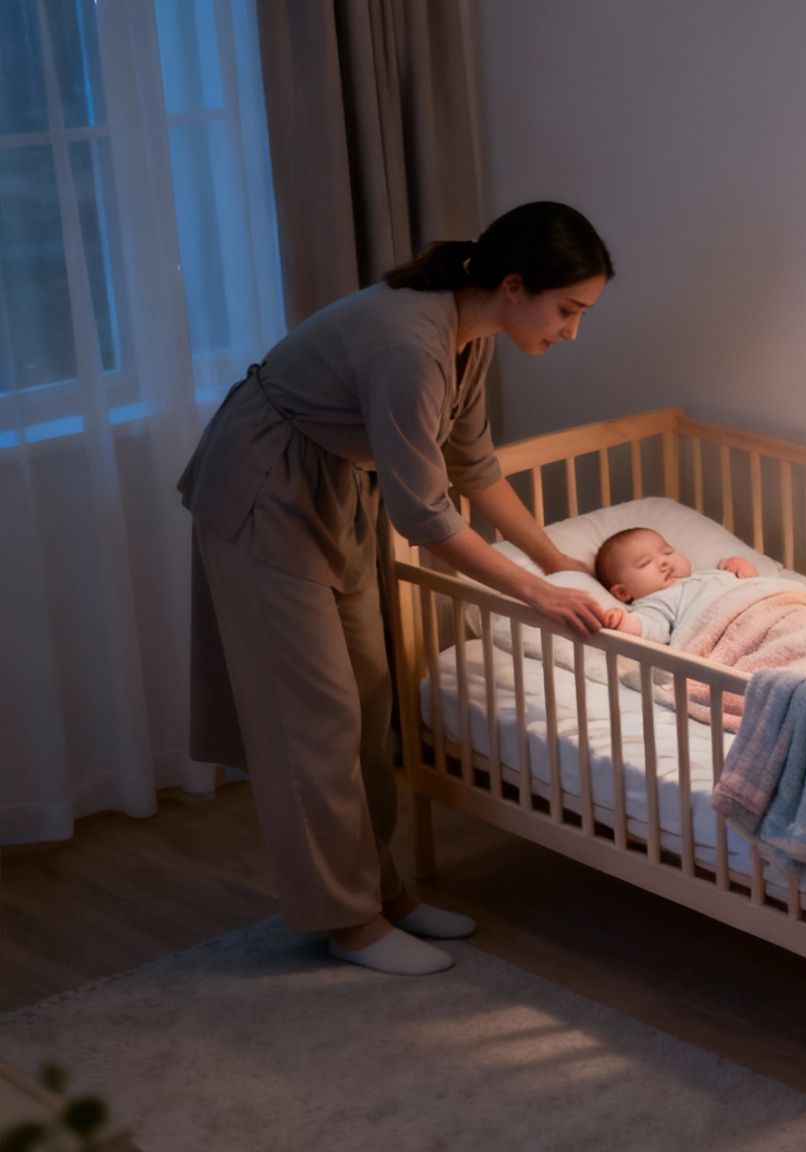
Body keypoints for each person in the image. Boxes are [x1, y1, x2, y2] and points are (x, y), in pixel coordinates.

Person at [179, 201, 615, 977]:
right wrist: (534, 593)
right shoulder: (410, 345)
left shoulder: (469, 337)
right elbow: (425, 515)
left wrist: (557, 560)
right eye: (567, 311)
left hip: (331, 484)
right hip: (267, 485)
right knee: (312, 713)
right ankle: (346, 919)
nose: (572, 331)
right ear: (514, 285)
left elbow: (472, 467)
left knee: (371, 691)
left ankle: (382, 891)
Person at [591, 526, 758, 644]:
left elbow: (751, 583)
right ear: (622, 592)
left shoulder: (704, 574)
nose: (663, 561)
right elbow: (652, 629)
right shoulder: (656, 602)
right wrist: (624, 622)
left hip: (765, 603)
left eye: (667, 552)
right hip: (736, 626)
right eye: (645, 563)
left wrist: (739, 566)